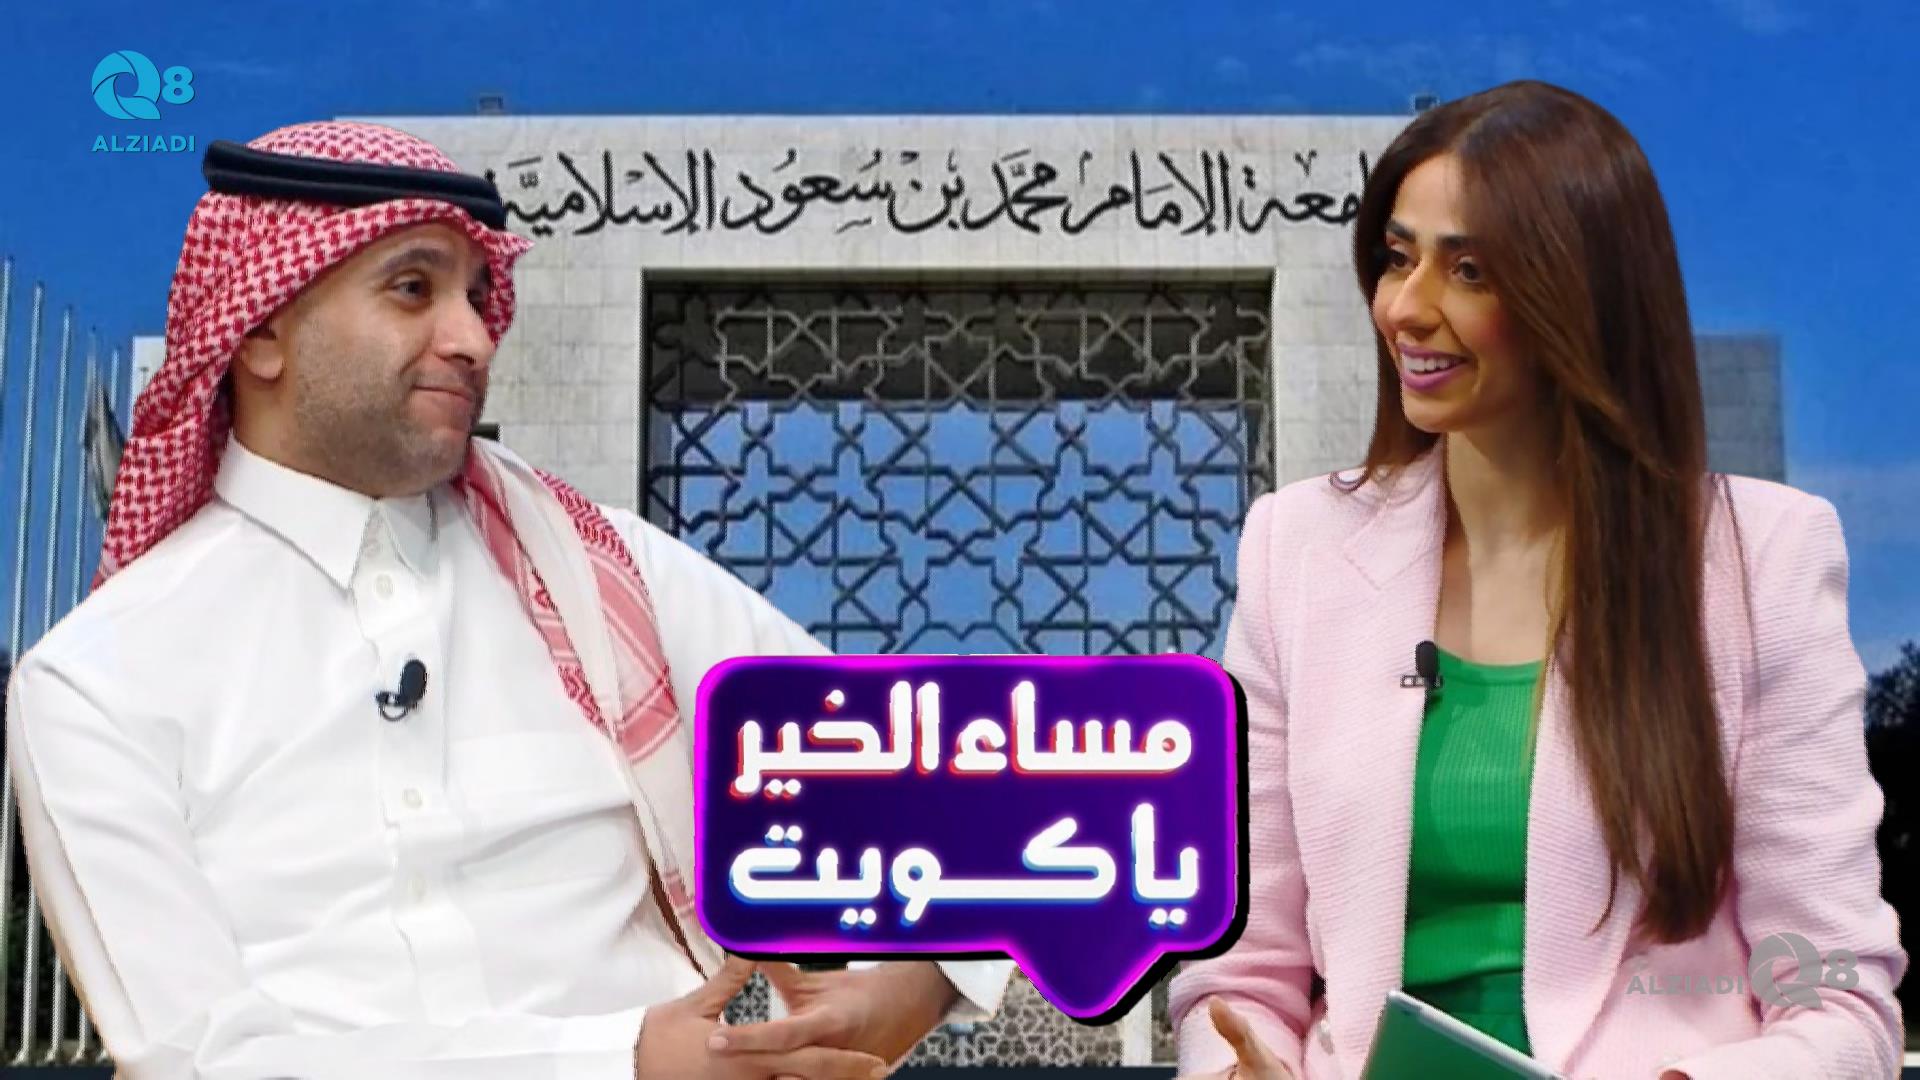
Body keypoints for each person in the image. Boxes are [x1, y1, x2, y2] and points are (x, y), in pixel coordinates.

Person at [4, 121, 1010, 1080]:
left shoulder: (600, 572)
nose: (473, 339)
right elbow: (196, 1058)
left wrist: (917, 983)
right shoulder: (101, 679)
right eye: (412, 290)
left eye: (478, 297)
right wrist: (620, 1064)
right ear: (261, 330)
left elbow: (954, 776)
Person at [1167, 81, 1906, 1079]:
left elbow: (1838, 1003)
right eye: (1397, 258)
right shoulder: (1294, 549)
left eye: (1468, 269)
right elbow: (1242, 973)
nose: (1407, 308)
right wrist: (1241, 1069)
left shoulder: (1762, 559)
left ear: (1581, 298)